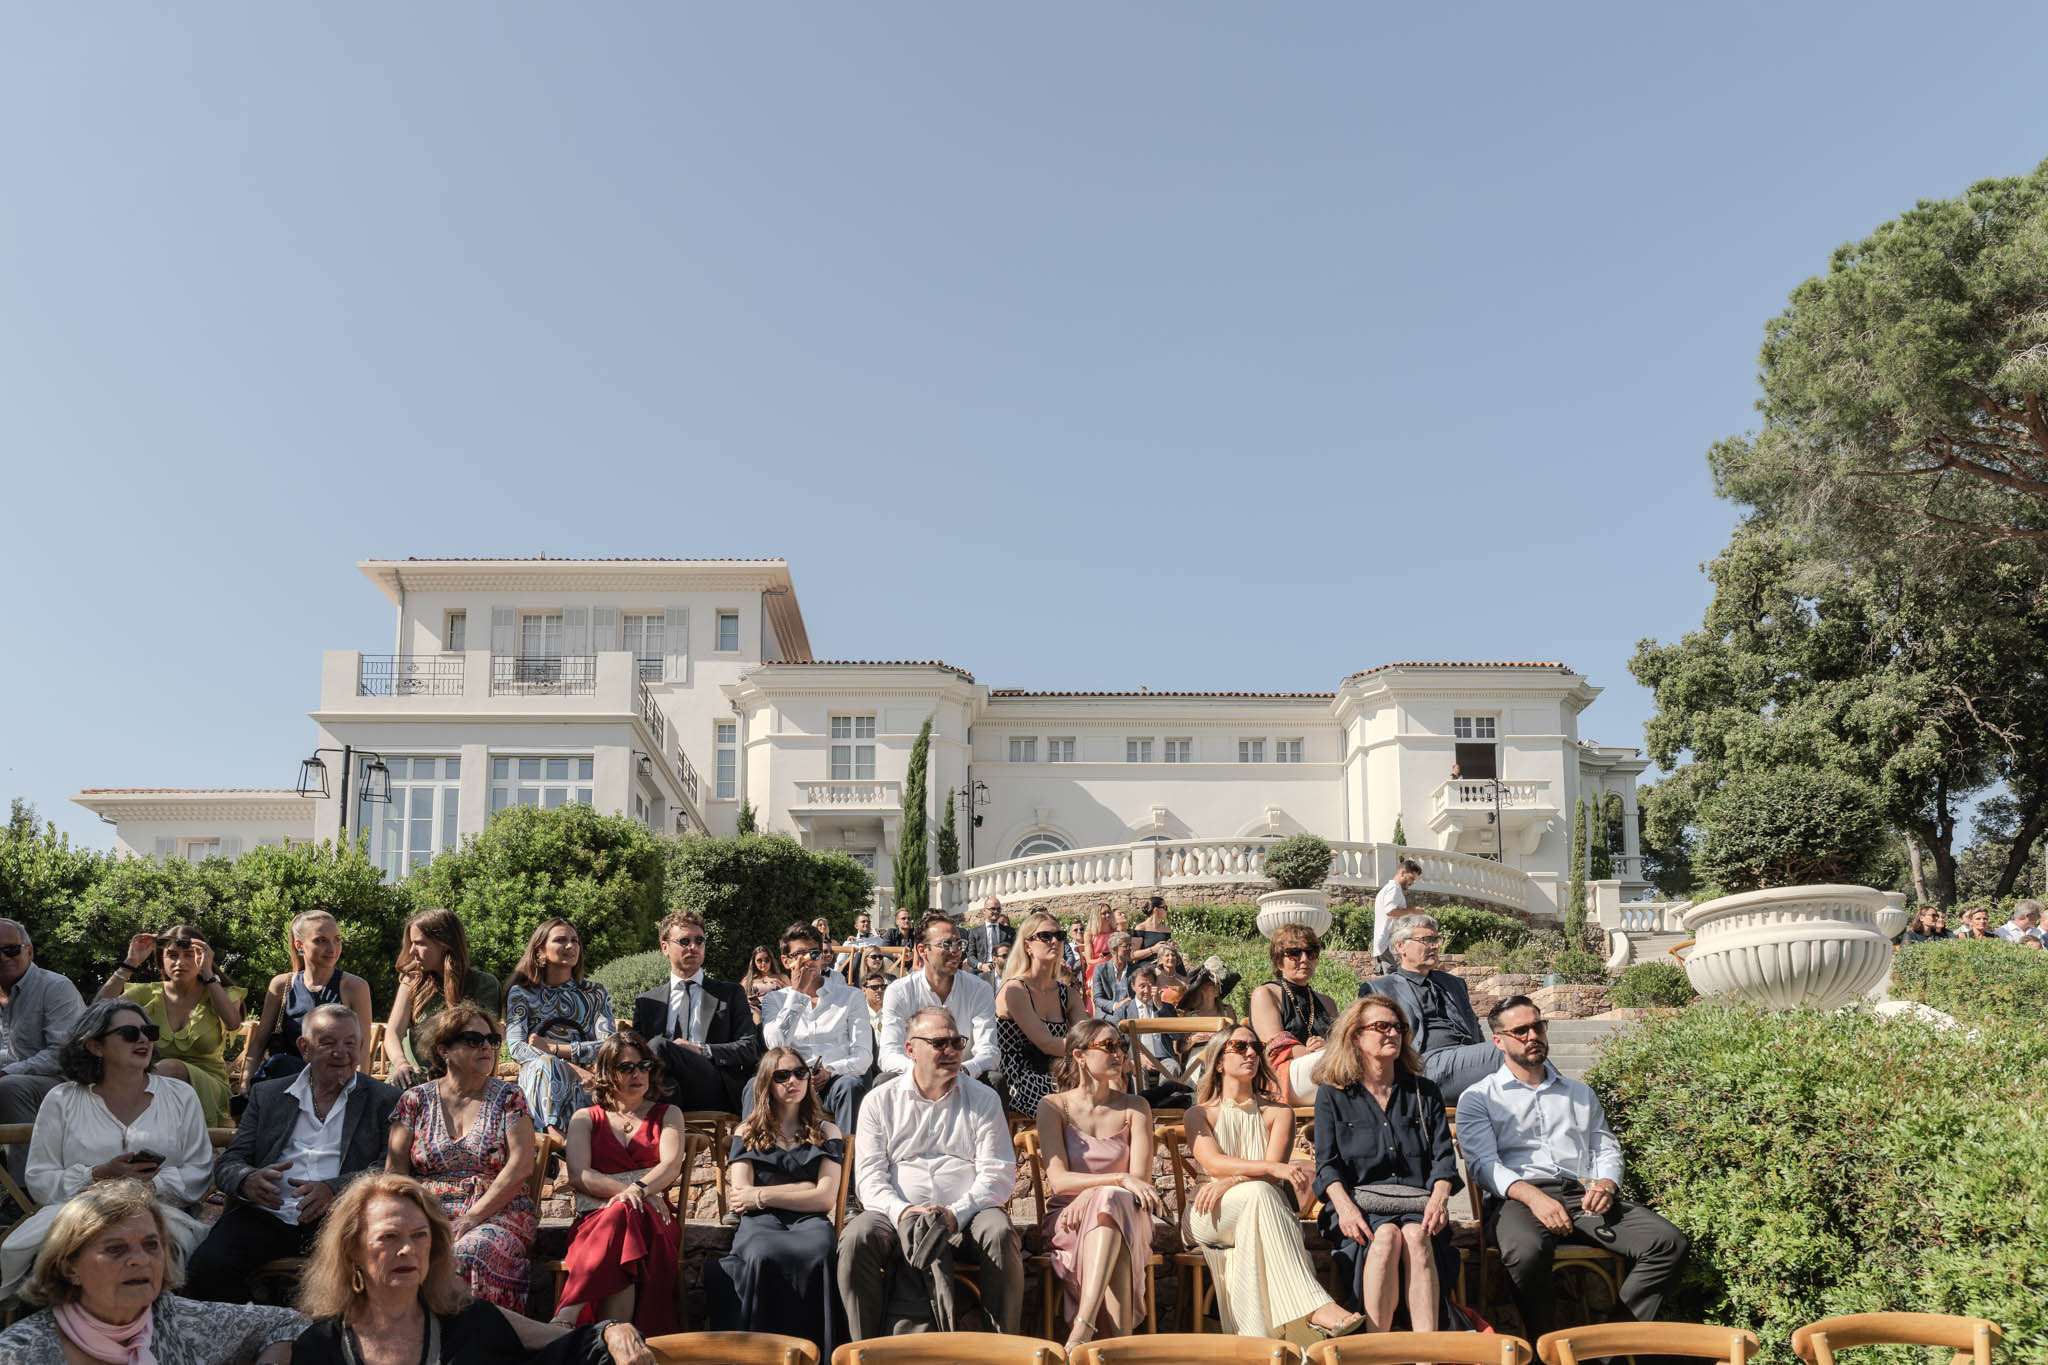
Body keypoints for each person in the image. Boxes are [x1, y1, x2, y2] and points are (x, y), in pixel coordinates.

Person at [1456, 995, 1689, 1340]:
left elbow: (1604, 1146)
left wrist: (1607, 1183)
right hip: (1517, 1200)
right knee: (1526, 1251)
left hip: (1581, 1196)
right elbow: (1483, 1165)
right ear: (1499, 1041)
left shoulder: (1579, 1093)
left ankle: (1608, 1347)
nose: (1533, 1036)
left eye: (1538, 1026)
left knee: (1667, 1243)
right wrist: (1534, 1198)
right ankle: (1546, 1346)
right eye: (1521, 1031)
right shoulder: (1480, 1096)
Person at [290, 1173, 652, 1365]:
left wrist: (613, 1331)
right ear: (351, 1250)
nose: (407, 1250)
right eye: (388, 1237)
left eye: (419, 1236)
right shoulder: (319, 1348)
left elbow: (564, 1345)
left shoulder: (472, 1324)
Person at [185, 1004, 402, 1303]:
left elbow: (389, 1167)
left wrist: (334, 1189)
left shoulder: (385, 1099)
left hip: (343, 1218)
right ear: (305, 1047)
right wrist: (247, 1179)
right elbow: (231, 1160)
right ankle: (255, 1324)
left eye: (350, 1043)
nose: (341, 1052)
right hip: (268, 1213)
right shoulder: (269, 1095)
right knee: (206, 1268)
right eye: (328, 1042)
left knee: (363, 1281)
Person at [0, 1000, 213, 1301]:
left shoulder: (181, 1096)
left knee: (144, 1250)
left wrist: (148, 1185)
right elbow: (40, 1178)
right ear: (95, 1046)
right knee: (66, 1252)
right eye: (129, 1033)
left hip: (158, 1215)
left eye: (150, 1032)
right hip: (76, 1214)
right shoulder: (61, 1099)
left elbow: (199, 1170)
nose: (143, 1039)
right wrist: (97, 1175)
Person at [840, 1006, 1022, 1337]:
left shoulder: (984, 1099)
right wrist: (903, 1212)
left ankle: (1003, 1344)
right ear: (910, 1049)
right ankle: (863, 1348)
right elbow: (869, 1179)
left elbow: (997, 1174)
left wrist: (956, 1213)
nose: (951, 1051)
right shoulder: (879, 1101)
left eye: (957, 1042)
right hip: (896, 1218)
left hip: (967, 1219)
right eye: (940, 1043)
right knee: (856, 1237)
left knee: (999, 1231)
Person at [1182, 1025, 1363, 1340]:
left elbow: (1268, 1176)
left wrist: (1232, 1180)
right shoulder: (1199, 1114)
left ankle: (1264, 1338)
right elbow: (1213, 1164)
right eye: (1240, 1047)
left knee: (1260, 1193)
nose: (1251, 1053)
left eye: (1255, 1046)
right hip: (1209, 1210)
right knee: (1260, 1192)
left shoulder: (1280, 1113)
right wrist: (1265, 1168)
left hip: (1260, 1204)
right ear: (1219, 1062)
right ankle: (1313, 1307)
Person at [0, 1179, 303, 1365]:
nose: (140, 1260)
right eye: (115, 1249)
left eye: (151, 1245)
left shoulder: (178, 1320)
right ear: (69, 1267)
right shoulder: (20, 1352)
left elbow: (288, 1322)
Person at [1312, 997, 1460, 1333]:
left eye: (1398, 1027)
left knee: (1416, 1236)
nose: (1392, 1033)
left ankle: (1428, 1351)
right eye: (1381, 1026)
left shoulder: (1424, 1092)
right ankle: (1376, 1346)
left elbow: (1444, 1160)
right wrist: (1345, 1210)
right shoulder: (1333, 1094)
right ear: (1355, 1036)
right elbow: (1327, 1165)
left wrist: (1439, 1199)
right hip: (1357, 1207)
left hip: (1417, 1205)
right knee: (1387, 1236)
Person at [386, 1005, 538, 1311]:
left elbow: (522, 1164)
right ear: (443, 1049)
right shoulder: (415, 1101)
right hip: (429, 1212)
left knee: (468, 1252)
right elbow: (395, 1172)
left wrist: (472, 1217)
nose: (486, 1047)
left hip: (496, 1211)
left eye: (492, 1040)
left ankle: (474, 1335)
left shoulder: (509, 1098)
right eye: (473, 1040)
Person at [708, 1046, 847, 1353]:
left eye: (800, 1073)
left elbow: (825, 1199)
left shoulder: (827, 1130)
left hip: (810, 1223)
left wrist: (762, 1194)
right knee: (762, 1253)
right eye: (781, 1076)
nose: (792, 1081)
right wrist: (804, 1187)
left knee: (820, 1252)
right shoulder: (748, 1130)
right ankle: (761, 1354)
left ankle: (814, 1354)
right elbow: (740, 1196)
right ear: (766, 1083)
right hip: (760, 1223)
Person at [1034, 1018, 1162, 1349]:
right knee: (1110, 1208)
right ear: (1079, 1055)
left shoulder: (1136, 1107)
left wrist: (1097, 1192)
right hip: (1069, 1218)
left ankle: (1083, 1326)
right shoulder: (1053, 1107)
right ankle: (1120, 1349)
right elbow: (1059, 1181)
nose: (1118, 1053)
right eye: (1108, 1046)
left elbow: (1141, 1183)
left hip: (1128, 1213)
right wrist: (1115, 1180)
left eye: (1121, 1045)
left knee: (1111, 1205)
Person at [557, 1031, 687, 1336]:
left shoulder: (668, 1114)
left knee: (622, 1213)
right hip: (596, 1221)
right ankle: (618, 1342)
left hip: (655, 1221)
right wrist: (635, 1193)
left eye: (644, 1066)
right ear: (607, 1073)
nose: (637, 1074)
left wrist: (637, 1192)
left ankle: (566, 1315)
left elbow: (670, 1165)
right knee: (621, 1217)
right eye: (626, 1068)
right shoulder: (585, 1118)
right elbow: (579, 1175)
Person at [97, 924, 246, 1126]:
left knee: (171, 1068)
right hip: (150, 1082)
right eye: (172, 955)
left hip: (208, 1089)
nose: (180, 962)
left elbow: (233, 1022)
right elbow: (98, 1012)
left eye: (189, 955)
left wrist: (208, 972)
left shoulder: (222, 993)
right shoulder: (148, 993)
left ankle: (124, 1119)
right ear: (162, 959)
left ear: (202, 957)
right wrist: (130, 963)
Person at [631, 911, 762, 1114]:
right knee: (654, 1065)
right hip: (664, 1087)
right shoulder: (647, 1002)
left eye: (699, 941)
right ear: (664, 947)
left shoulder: (729, 993)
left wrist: (702, 1050)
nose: (693, 947)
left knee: (658, 1046)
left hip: (713, 1085)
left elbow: (749, 1048)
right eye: (685, 941)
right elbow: (635, 1054)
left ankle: (648, 1117)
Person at [1360, 914, 1502, 1103]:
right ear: (1400, 946)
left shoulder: (1454, 984)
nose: (1434, 946)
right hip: (1423, 1066)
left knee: (1523, 1048)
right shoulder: (1381, 989)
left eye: (1436, 940)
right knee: (1512, 1047)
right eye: (1426, 940)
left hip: (1467, 1060)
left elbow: (1475, 1029)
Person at [750, 922, 872, 1131]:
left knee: (850, 1086)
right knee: (752, 1086)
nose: (809, 960)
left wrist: (830, 1070)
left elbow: (864, 1056)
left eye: (814, 953)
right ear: (786, 961)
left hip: (836, 1080)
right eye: (800, 954)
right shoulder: (775, 1000)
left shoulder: (850, 997)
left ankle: (844, 1151)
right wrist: (797, 994)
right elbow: (775, 1044)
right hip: (790, 1080)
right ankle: (752, 1148)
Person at [505, 918, 617, 1138]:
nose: (570, 946)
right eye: (560, 940)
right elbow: (517, 1047)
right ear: (540, 950)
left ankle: (558, 1143)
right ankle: (555, 1136)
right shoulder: (522, 993)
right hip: (539, 1078)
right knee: (545, 1065)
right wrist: (568, 1067)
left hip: (590, 1078)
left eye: (575, 941)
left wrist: (555, 1049)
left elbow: (610, 1046)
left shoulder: (595, 993)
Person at [243, 911, 377, 1088]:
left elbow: (362, 1047)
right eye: (321, 940)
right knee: (279, 1064)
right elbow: (260, 1042)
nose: (332, 948)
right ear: (299, 945)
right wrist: (246, 1082)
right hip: (287, 1083)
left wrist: (356, 1091)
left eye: (337, 939)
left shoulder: (354, 987)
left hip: (334, 1084)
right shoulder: (282, 985)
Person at [0, 918, 85, 1186]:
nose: (3, 957)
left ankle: (26, 1189)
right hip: (15, 1078)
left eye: (10, 949)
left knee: (10, 1087)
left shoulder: (55, 987)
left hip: (66, 1082)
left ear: (29, 951)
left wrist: (5, 1072)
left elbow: (62, 1054)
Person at [384, 909, 502, 1089]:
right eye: (411, 943)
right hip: (411, 1078)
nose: (412, 951)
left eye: (419, 943)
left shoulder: (484, 985)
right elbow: (393, 1032)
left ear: (445, 944)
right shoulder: (413, 981)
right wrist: (401, 1063)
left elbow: (488, 1042)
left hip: (461, 1080)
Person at [877, 915, 1000, 1081]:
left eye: (959, 944)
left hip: (965, 1079)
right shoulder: (900, 991)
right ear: (922, 950)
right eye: (946, 944)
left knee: (994, 1079)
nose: (956, 951)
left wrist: (963, 1070)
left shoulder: (979, 989)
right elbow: (889, 1054)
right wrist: (925, 1071)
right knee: (884, 1080)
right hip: (915, 1080)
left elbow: (989, 1051)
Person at [995, 911, 1087, 1116]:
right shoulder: (1015, 989)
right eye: (1045, 936)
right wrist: (1090, 1051)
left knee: (1106, 1082)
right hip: (1019, 1076)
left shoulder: (1068, 994)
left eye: (1059, 936)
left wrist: (1098, 1049)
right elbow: (1047, 1044)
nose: (1054, 941)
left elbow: (1086, 1035)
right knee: (1076, 1096)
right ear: (1027, 945)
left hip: (1059, 1071)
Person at [1250, 924, 1339, 1103]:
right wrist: (1312, 1052)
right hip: (1283, 1075)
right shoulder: (1266, 994)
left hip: (1324, 1068)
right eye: (1294, 953)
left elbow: (1341, 1045)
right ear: (1278, 961)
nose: (1304, 959)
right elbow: (1276, 1048)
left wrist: (1325, 1048)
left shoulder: (1327, 1002)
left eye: (1311, 952)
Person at [1122, 967, 1193, 1109]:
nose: (1147, 990)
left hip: (1163, 1058)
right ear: (1133, 987)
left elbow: (1177, 1035)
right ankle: (1141, 1107)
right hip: (1138, 1057)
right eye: (1142, 986)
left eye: (1150, 985)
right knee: (1136, 1068)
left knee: (1172, 1066)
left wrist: (1159, 1006)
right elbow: (1121, 1042)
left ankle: (1166, 1107)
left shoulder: (1166, 1008)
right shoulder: (1124, 1010)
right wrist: (1136, 1056)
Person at [1371, 859, 1424, 973]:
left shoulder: (1392, 888)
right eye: (1411, 878)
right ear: (1403, 873)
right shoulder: (1393, 888)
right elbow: (1390, 911)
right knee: (1394, 979)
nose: (1412, 882)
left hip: (1386, 943)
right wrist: (1413, 910)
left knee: (1393, 978)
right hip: (1388, 944)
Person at [1089, 933, 1136, 1019]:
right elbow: (1097, 999)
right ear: (1115, 949)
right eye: (1126, 946)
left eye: (1130, 945)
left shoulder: (1135, 970)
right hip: (1108, 1014)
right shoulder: (1101, 969)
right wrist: (1115, 1005)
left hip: (1129, 1014)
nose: (1130, 949)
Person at [741, 946, 786, 1026]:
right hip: (756, 1019)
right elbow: (738, 1000)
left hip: (778, 1017)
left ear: (771, 960)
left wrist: (782, 984)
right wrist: (748, 1000)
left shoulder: (781, 977)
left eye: (767, 960)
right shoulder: (748, 980)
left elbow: (794, 995)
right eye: (759, 960)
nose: (763, 963)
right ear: (754, 962)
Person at [965, 899, 1015, 971]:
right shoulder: (975, 932)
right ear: (984, 910)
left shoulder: (1009, 931)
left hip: (1005, 969)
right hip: (982, 970)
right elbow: (970, 956)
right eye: (993, 909)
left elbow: (1015, 952)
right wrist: (981, 966)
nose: (996, 911)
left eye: (998, 909)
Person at [1127, 898, 1172, 973]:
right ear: (1156, 910)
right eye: (1165, 907)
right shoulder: (1141, 928)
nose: (1167, 910)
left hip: (1163, 962)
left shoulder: (1166, 929)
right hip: (1146, 965)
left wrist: (1171, 947)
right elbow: (1132, 955)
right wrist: (1153, 949)